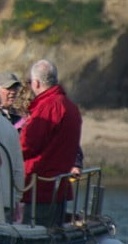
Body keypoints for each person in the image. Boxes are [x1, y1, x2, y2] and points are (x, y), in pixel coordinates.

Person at [19, 59, 82, 227]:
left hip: (41, 187)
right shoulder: (70, 107)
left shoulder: (48, 107)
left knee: (33, 233)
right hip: (59, 186)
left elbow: (27, 145)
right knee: (53, 233)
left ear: (36, 83)